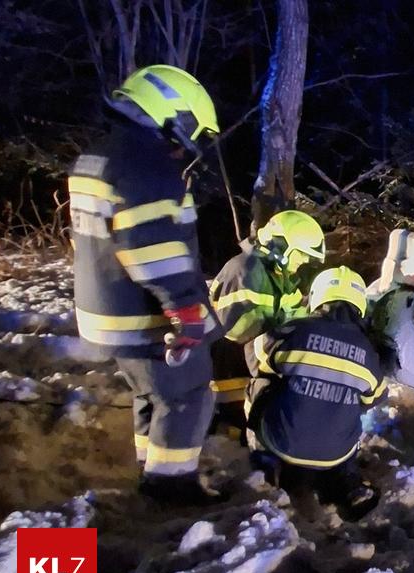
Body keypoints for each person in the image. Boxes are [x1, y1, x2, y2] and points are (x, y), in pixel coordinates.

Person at [68, 65, 222, 504]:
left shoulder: (99, 155)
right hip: (143, 312)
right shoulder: (145, 164)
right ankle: (170, 488)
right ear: (171, 115)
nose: (183, 148)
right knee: (188, 395)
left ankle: (151, 467)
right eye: (185, 135)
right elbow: (153, 250)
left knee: (152, 394)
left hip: (105, 305)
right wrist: (186, 310)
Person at [248, 266, 386, 520]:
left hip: (281, 443)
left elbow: (258, 357)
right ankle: (345, 482)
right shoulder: (368, 350)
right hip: (336, 454)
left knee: (260, 384)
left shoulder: (296, 330)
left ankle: (264, 461)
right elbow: (374, 399)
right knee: (354, 407)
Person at [208, 210, 325, 436]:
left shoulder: (279, 275)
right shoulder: (245, 270)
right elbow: (240, 332)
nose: (303, 262)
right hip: (228, 366)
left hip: (249, 359)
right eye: (300, 254)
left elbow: (296, 313)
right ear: (280, 245)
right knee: (238, 426)